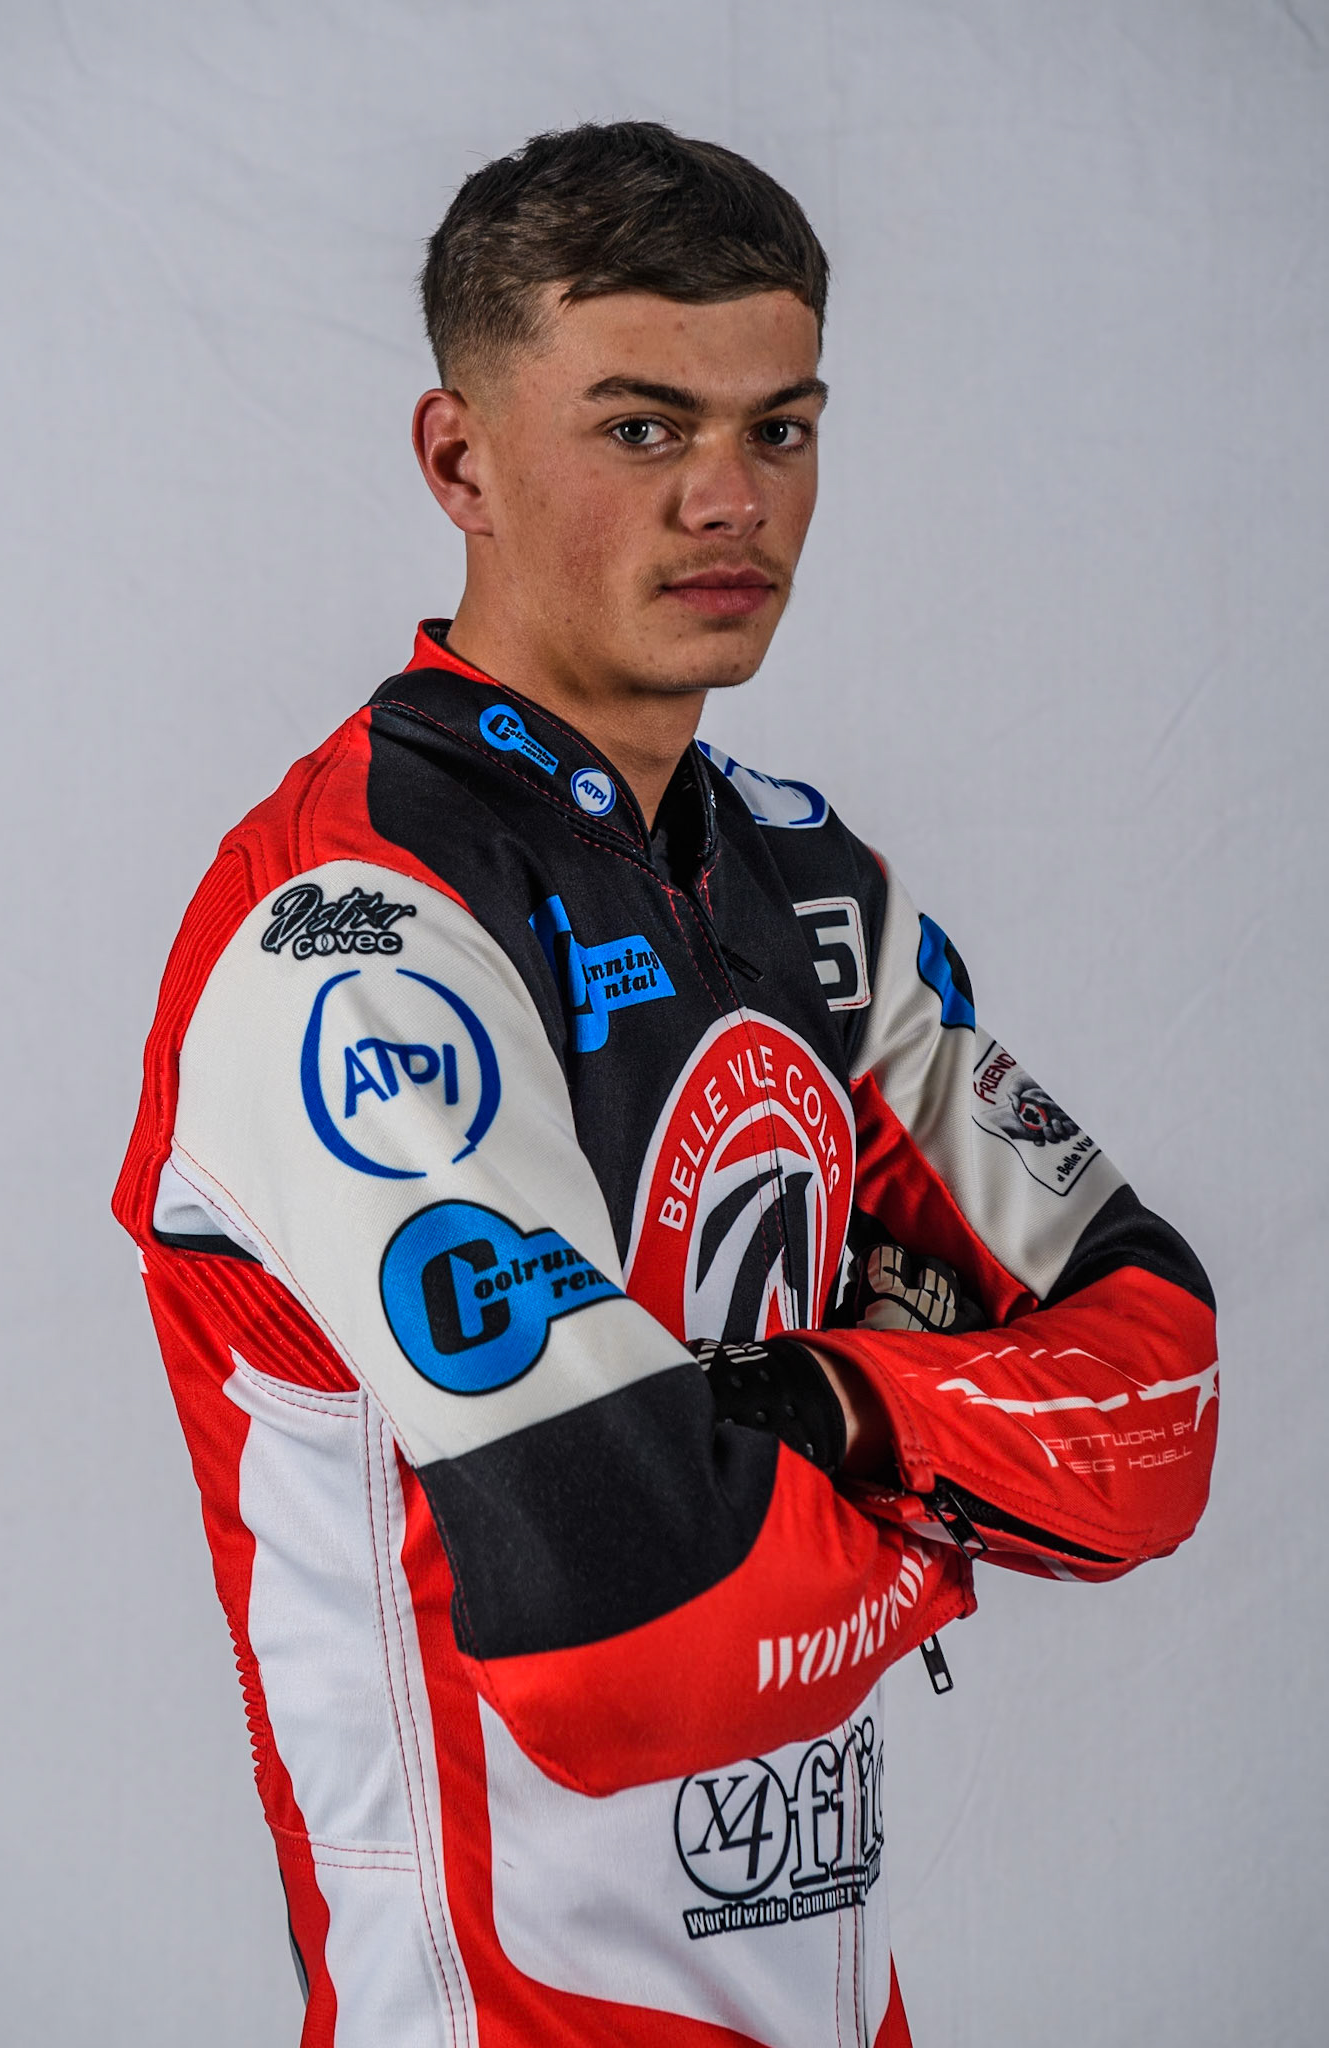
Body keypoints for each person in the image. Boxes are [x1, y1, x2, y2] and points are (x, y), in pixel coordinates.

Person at [114, 121, 1218, 2048]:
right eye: (642, 429)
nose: (732, 500)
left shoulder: (811, 890)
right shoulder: (355, 924)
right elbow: (642, 1643)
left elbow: (1165, 1394)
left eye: (778, 429)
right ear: (457, 457)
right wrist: (961, 1471)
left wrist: (805, 1405)